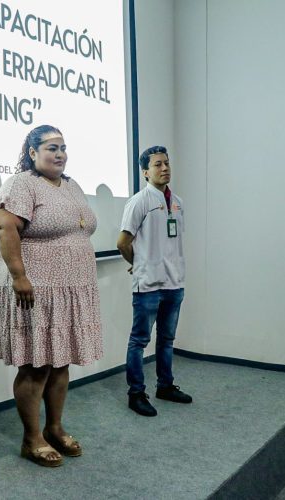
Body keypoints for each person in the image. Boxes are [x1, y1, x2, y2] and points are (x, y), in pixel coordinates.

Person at [0, 125, 102, 467]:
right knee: (36, 365)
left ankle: (54, 427)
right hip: (35, 290)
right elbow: (4, 227)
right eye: (51, 147)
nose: (60, 153)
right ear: (33, 152)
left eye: (63, 147)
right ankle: (31, 438)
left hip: (70, 290)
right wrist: (19, 276)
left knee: (60, 362)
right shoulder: (22, 183)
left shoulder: (72, 185)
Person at [117, 145, 193, 417]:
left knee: (167, 339)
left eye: (167, 163)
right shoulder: (140, 201)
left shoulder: (178, 202)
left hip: (174, 284)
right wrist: (137, 264)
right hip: (148, 285)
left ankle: (166, 386)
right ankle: (136, 393)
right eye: (158, 164)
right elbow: (123, 242)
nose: (165, 168)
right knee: (139, 341)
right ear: (145, 172)